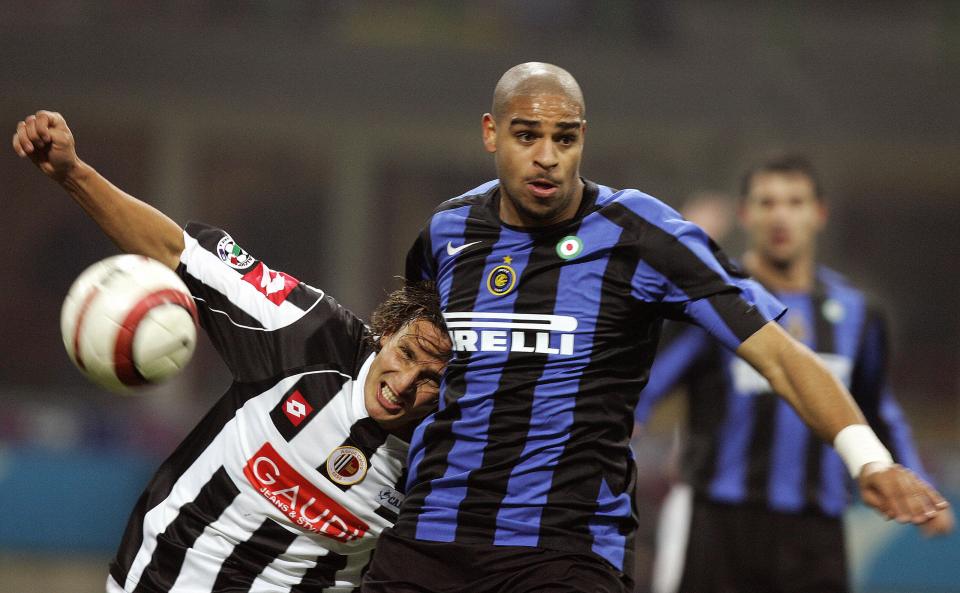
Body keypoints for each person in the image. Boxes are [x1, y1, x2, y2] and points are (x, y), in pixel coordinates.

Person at [360, 62, 949, 593]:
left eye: (564, 138)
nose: (547, 156)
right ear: (491, 133)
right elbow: (410, 352)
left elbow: (783, 357)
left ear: (582, 139)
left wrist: (869, 459)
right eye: (527, 135)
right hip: (428, 535)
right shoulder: (448, 231)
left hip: (562, 550)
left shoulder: (642, 235)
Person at [13, 110, 452, 593]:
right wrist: (73, 173)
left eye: (432, 377)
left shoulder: (449, 448)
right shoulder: (305, 331)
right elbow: (175, 251)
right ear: (386, 331)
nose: (407, 383)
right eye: (407, 354)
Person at [636, 154, 954, 593]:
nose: (780, 215)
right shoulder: (712, 306)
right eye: (767, 203)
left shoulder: (858, 313)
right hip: (723, 523)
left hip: (817, 528)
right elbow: (647, 387)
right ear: (746, 215)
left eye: (794, 202)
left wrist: (919, 482)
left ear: (819, 213)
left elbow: (877, 407)